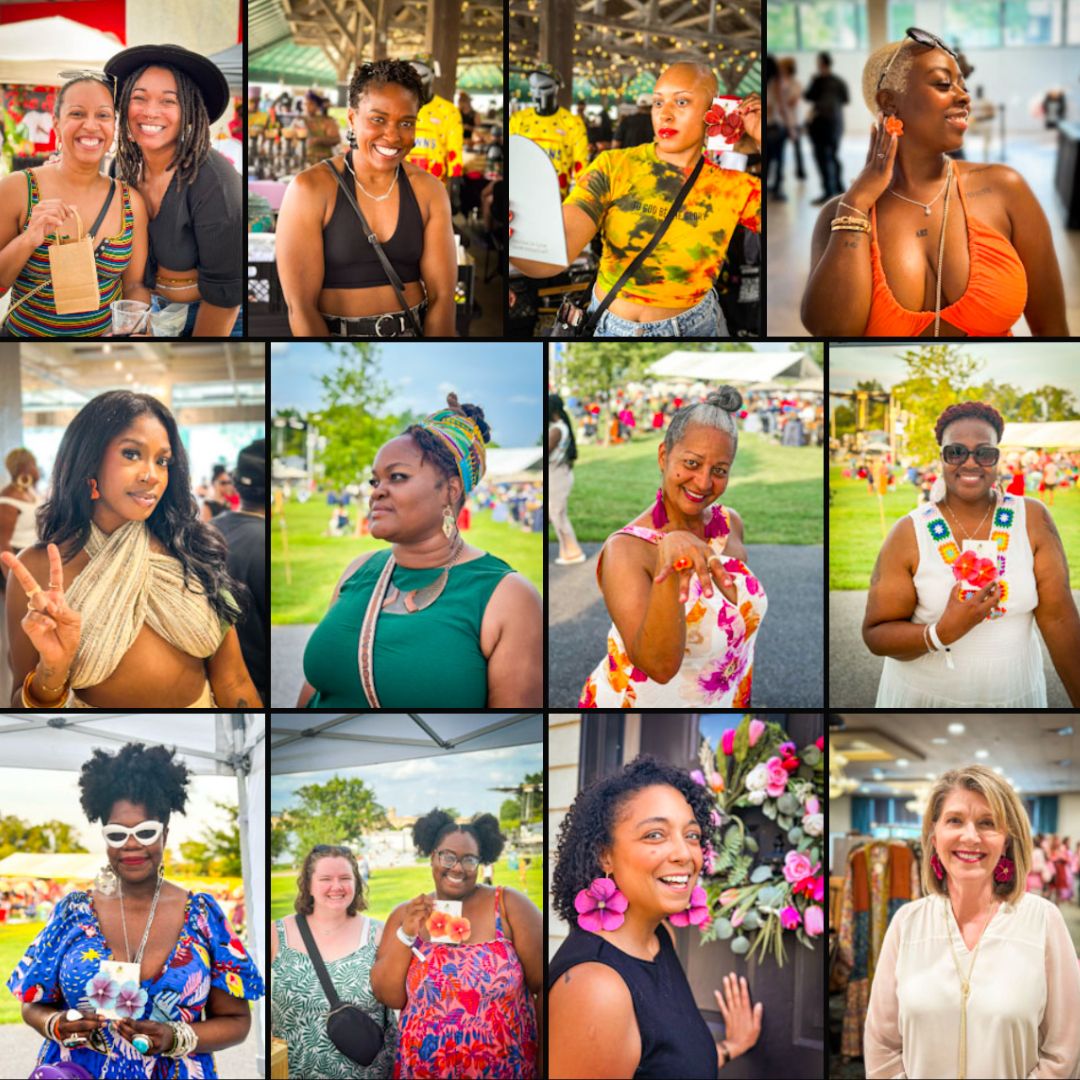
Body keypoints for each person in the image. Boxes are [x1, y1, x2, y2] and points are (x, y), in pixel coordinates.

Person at [6, 741, 264, 1078]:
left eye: (145, 831)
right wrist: (55, 1023)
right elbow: (32, 1003)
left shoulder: (202, 916)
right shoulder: (73, 912)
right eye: (117, 833)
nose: (131, 843)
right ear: (105, 837)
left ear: (165, 835)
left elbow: (237, 1021)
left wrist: (176, 1037)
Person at [1, 390, 261, 708]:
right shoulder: (39, 567)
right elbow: (18, 704)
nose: (151, 475)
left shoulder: (192, 548)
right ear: (88, 460)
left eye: (163, 461)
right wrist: (52, 672)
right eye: (131, 454)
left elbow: (234, 680)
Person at [803, 29, 1068, 337]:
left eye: (962, 85)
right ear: (888, 102)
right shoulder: (841, 214)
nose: (963, 96)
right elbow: (832, 332)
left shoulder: (1004, 189)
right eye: (943, 84)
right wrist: (857, 204)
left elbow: (1054, 331)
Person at [296, 393, 542, 707]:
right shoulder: (358, 569)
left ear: (450, 490)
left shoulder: (509, 597)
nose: (377, 492)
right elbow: (314, 689)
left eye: (397, 477)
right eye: (375, 481)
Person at [549, 755, 763, 1078]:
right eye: (655, 835)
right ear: (604, 854)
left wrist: (730, 1045)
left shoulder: (660, 938)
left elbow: (667, 1066)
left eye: (691, 835)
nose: (684, 854)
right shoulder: (597, 989)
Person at [510, 63, 761, 338]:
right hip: (607, 324)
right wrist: (519, 240)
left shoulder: (735, 187)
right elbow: (556, 252)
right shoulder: (612, 166)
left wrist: (764, 139)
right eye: (657, 102)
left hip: (696, 327)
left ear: (714, 111)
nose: (665, 114)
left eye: (681, 101)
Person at [864, 764, 1080, 1079]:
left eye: (987, 823)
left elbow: (1064, 1050)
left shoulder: (1044, 921)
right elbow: (881, 1046)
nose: (970, 836)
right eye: (954, 820)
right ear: (934, 836)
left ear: (1006, 840)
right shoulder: (906, 924)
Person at [862, 401, 1080, 706]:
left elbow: (1059, 620)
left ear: (998, 458)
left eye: (984, 452)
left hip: (1016, 696)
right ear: (941, 456)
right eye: (956, 451)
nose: (970, 462)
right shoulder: (909, 532)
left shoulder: (1032, 518)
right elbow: (876, 633)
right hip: (925, 700)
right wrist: (941, 632)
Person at [578, 388, 768, 708]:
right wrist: (670, 557)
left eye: (719, 470)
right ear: (664, 456)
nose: (704, 482)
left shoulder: (730, 523)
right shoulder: (626, 550)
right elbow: (659, 667)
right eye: (692, 463)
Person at [275, 59, 457, 337]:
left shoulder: (429, 190)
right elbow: (300, 308)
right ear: (351, 118)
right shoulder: (310, 189)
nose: (393, 136)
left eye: (406, 122)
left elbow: (443, 299)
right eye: (378, 119)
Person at [370, 809, 541, 1078]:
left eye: (469, 859)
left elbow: (544, 986)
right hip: (426, 1070)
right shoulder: (407, 913)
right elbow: (389, 996)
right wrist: (407, 933)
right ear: (432, 856)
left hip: (503, 1068)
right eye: (447, 856)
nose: (457, 867)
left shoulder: (510, 906)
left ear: (481, 862)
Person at [106, 44, 244, 337]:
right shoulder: (122, 168)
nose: (150, 112)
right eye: (139, 98)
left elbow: (224, 299)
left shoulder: (214, 181)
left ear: (190, 111)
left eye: (169, 101)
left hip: (212, 315)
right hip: (148, 309)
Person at [0, 74, 149, 337]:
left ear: (113, 126)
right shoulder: (17, 189)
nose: (90, 126)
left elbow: (135, 284)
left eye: (103, 116)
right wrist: (29, 239)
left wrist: (135, 327)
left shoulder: (130, 201)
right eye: (77, 114)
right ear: (57, 123)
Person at [271, 845, 397, 1078]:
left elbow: (399, 999)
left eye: (345, 878)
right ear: (308, 884)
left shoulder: (379, 934)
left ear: (357, 883)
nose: (337, 886)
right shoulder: (277, 935)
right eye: (326, 879)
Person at [209, 440, 267, 708]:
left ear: (234, 483)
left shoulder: (204, 532)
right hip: (252, 691)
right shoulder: (264, 541)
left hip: (213, 685)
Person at [508, 66, 589, 196]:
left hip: (558, 198)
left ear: (556, 88)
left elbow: (581, 167)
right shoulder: (518, 120)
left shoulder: (573, 123)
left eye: (544, 88)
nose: (538, 93)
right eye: (533, 88)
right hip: (522, 194)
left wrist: (579, 200)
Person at [804, 51, 849, 203]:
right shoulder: (839, 81)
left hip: (820, 123)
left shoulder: (817, 80)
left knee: (822, 157)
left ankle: (828, 191)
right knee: (833, 155)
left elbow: (808, 96)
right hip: (836, 123)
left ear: (821, 63)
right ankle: (839, 188)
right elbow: (845, 99)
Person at [548, 393, 585, 566]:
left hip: (558, 476)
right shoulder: (559, 426)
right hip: (558, 475)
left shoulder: (556, 430)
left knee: (558, 515)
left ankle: (573, 552)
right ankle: (568, 551)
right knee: (557, 514)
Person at [301, 88, 341, 168]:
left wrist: (318, 140)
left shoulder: (327, 121)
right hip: (303, 162)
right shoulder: (300, 120)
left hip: (323, 164)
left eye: (310, 104)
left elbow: (337, 140)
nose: (307, 107)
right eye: (305, 104)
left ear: (317, 106)